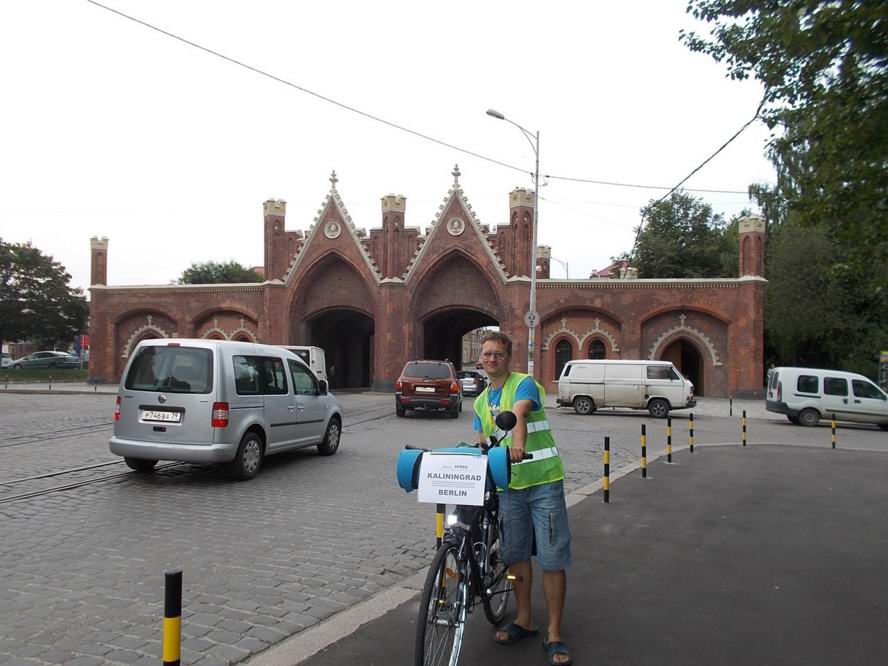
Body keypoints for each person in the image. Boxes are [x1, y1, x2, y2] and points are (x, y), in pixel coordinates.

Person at [472, 331, 573, 666]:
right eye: (487, 354)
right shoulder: (479, 401)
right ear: (480, 359)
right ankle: (525, 618)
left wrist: (517, 443)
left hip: (543, 480)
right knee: (515, 556)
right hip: (509, 488)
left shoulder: (524, 383)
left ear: (508, 357)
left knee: (551, 556)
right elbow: (484, 440)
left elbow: (519, 414)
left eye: (498, 354)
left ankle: (555, 633)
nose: (492, 359)